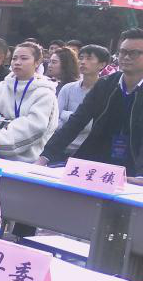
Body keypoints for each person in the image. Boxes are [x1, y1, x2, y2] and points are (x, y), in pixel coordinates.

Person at [40, 30, 143, 176]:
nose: (126, 57)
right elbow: (76, 121)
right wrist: (45, 156)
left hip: (135, 166)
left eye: (134, 53)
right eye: (123, 52)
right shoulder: (105, 84)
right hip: (98, 161)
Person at [0, 42, 58, 162]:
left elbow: (34, 127)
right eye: (14, 58)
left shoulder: (45, 93)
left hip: (27, 163)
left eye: (24, 58)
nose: (17, 62)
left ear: (37, 62)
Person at [54, 44, 110, 156]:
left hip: (89, 151)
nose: (83, 62)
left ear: (102, 64)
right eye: (81, 58)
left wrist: (66, 115)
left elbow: (95, 126)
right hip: (62, 147)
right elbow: (55, 120)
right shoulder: (68, 88)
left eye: (89, 58)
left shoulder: (107, 92)